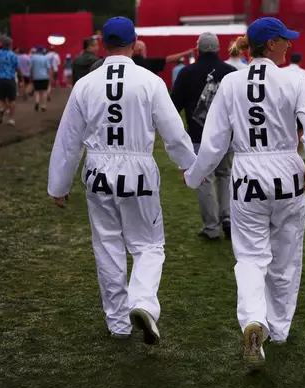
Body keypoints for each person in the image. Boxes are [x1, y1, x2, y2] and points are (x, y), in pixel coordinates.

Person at [183, 17, 305, 369]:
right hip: (286, 172)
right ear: (270, 45)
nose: (289, 46)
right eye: (285, 40)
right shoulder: (295, 78)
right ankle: (277, 329)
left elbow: (214, 141)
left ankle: (253, 319)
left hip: (246, 174)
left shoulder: (231, 83)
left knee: (250, 257)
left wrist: (194, 176)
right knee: (285, 258)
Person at [47, 16, 196, 343]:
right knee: (149, 245)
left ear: (102, 44)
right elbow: (173, 132)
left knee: (108, 245)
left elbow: (69, 138)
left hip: (98, 170)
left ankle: (117, 323)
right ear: (134, 41)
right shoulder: (149, 81)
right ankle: (142, 302)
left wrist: (59, 184)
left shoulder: (85, 84)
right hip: (138, 169)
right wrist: (190, 166)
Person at [172, 32, 237, 240]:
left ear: (197, 48)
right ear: (219, 48)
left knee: (204, 180)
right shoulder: (231, 73)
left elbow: (175, 106)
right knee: (225, 176)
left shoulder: (186, 73)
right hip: (226, 136)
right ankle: (227, 217)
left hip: (199, 136)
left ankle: (211, 227)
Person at [90, 40, 193, 75]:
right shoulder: (149, 63)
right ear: (139, 50)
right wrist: (187, 52)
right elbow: (169, 59)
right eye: (144, 49)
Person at [0, 38, 22, 126]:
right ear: (11, 45)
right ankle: (11, 119)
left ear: (2, 44)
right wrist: (21, 79)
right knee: (12, 99)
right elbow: (18, 69)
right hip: (10, 79)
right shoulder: (13, 55)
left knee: (0, 98)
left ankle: (1, 108)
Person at [31, 46, 52, 112]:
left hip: (36, 76)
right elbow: (49, 68)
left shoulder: (33, 57)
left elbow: (31, 67)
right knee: (44, 91)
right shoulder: (45, 58)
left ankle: (37, 101)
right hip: (44, 76)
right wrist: (50, 76)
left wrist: (31, 75)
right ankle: (43, 105)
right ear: (43, 51)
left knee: (36, 91)